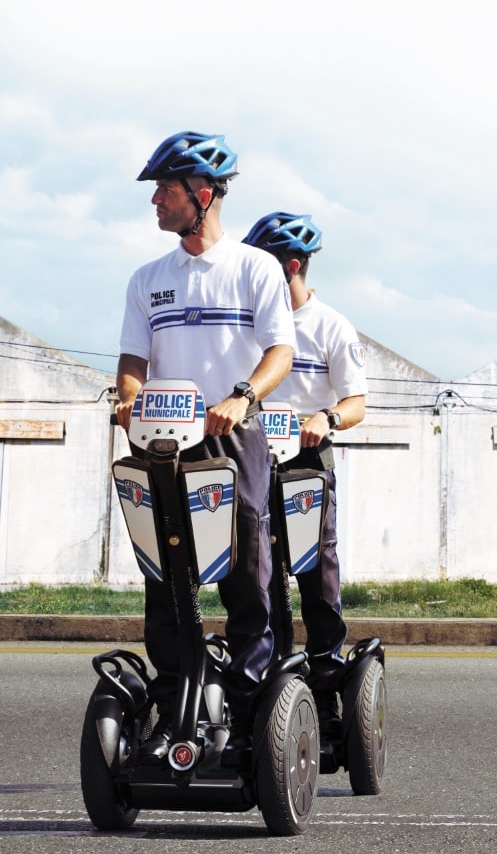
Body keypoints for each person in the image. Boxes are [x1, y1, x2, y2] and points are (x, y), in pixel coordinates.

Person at [115, 132, 295, 766]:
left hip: (232, 434)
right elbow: (134, 358)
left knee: (247, 569)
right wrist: (128, 396)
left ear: (204, 193)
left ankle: (248, 714)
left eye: (165, 190)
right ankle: (172, 709)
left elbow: (280, 351)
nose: (156, 202)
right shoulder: (148, 279)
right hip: (162, 441)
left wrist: (243, 397)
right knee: (164, 576)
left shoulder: (255, 267)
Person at [242, 212, 367, 740]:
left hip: (307, 462)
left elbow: (356, 402)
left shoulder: (331, 326)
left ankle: (325, 683)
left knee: (316, 574)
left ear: (291, 266)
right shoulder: (252, 325)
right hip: (253, 459)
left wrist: (327, 417)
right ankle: (270, 682)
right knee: (257, 575)